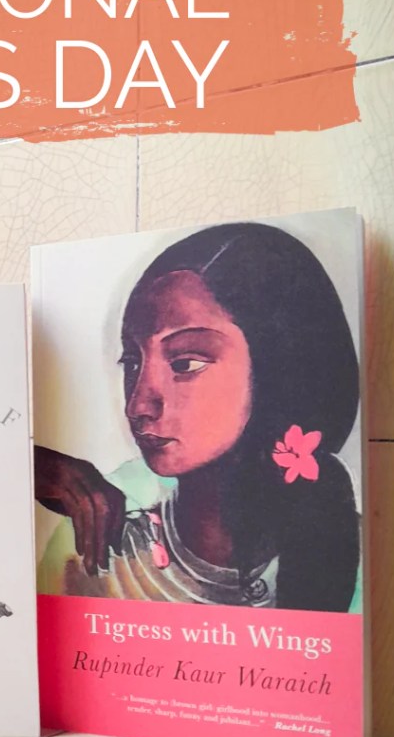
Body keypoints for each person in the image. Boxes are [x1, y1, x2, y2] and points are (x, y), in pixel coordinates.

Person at [36, 222, 361, 612]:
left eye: (185, 363)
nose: (138, 406)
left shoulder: (359, 555)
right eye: (133, 362)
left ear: (277, 366)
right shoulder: (92, 548)